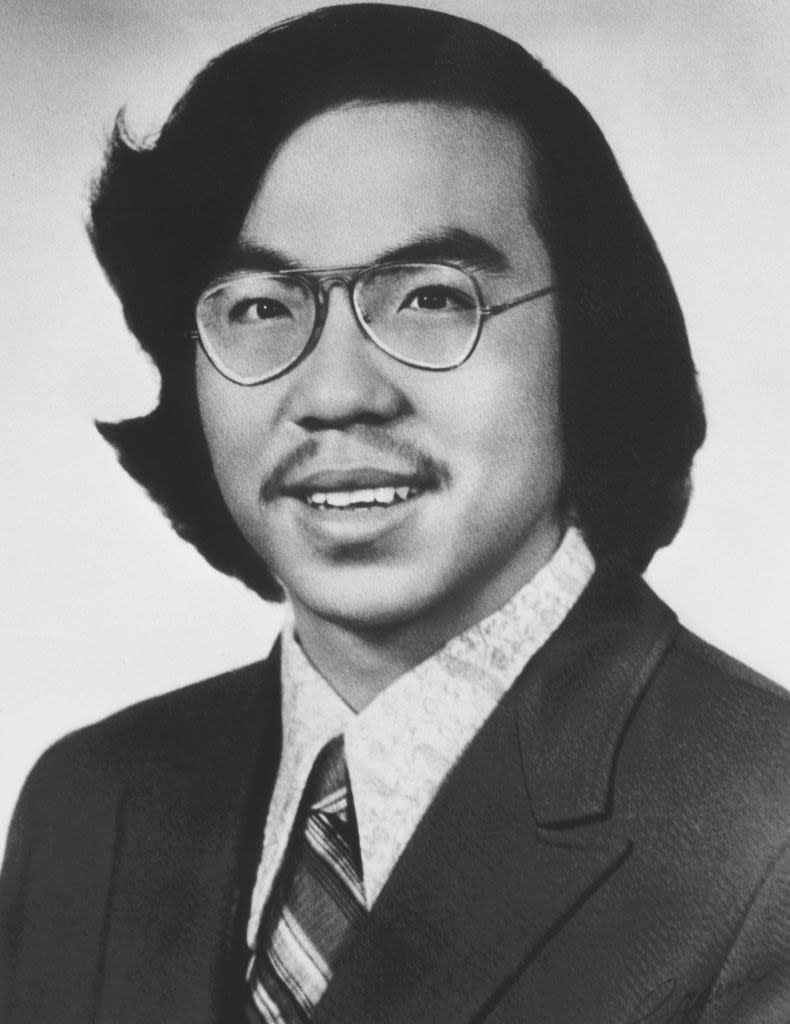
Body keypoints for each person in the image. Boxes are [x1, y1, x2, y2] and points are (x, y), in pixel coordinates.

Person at [1, 4, 788, 1022]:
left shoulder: (764, 834)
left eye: (428, 296)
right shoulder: (88, 802)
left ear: (589, 337)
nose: (334, 392)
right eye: (257, 306)